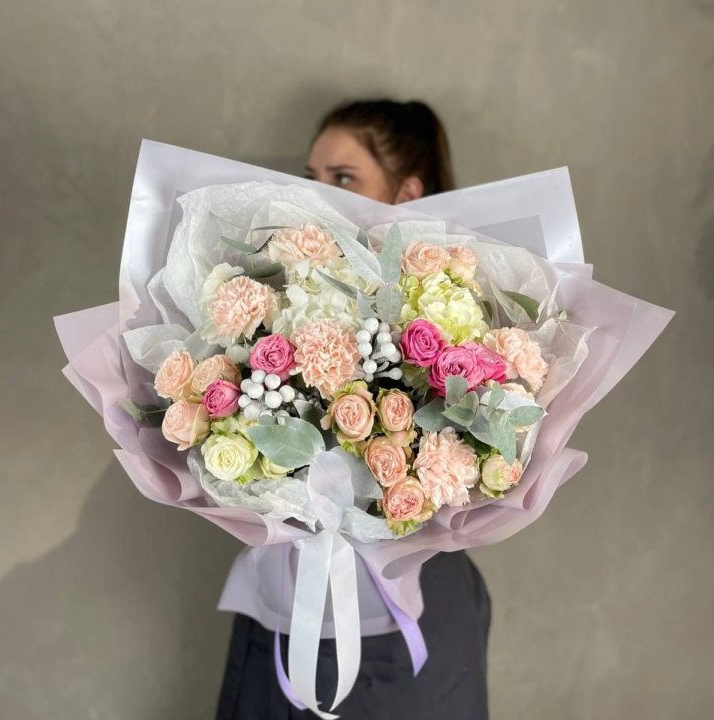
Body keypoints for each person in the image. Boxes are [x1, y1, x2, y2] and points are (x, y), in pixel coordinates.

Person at [216, 99, 491, 720]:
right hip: (288, 595)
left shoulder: (453, 313)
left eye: (343, 177)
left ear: (406, 193)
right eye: (311, 177)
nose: (317, 194)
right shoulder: (278, 294)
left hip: (402, 606)